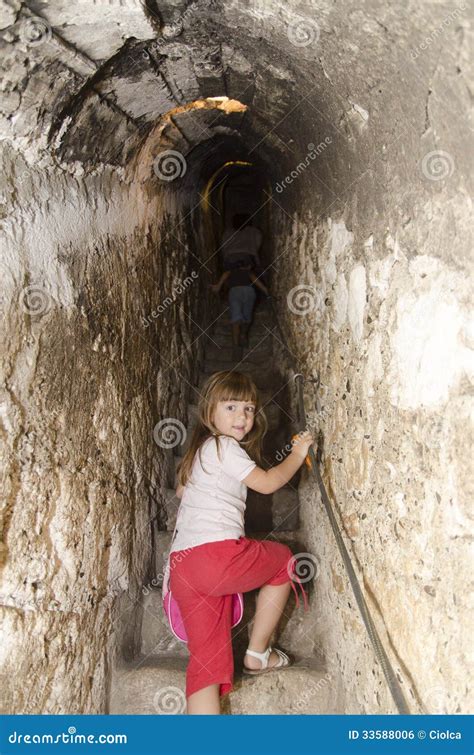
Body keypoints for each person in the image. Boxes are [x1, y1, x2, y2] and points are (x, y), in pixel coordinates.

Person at [168, 370, 315, 714]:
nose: (242, 416)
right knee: (282, 560)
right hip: (216, 556)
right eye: (231, 407)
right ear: (209, 412)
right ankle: (258, 654)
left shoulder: (197, 452)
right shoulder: (224, 445)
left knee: (206, 665)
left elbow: (180, 491)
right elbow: (265, 483)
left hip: (183, 568)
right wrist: (298, 451)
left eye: (249, 409)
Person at [210, 256, 269, 359]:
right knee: (246, 317)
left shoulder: (233, 272)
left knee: (237, 318)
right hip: (248, 292)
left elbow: (225, 274)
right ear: (249, 266)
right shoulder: (247, 273)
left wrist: (218, 286)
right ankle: (242, 337)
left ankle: (237, 344)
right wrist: (267, 292)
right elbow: (256, 282)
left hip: (236, 292)